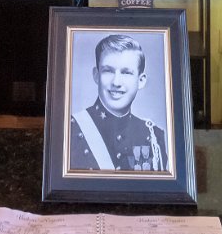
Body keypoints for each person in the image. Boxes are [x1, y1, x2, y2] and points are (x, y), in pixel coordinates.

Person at [69, 33, 167, 172]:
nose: (116, 82)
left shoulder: (153, 136)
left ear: (141, 81)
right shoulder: (71, 129)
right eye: (108, 71)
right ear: (96, 75)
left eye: (126, 72)